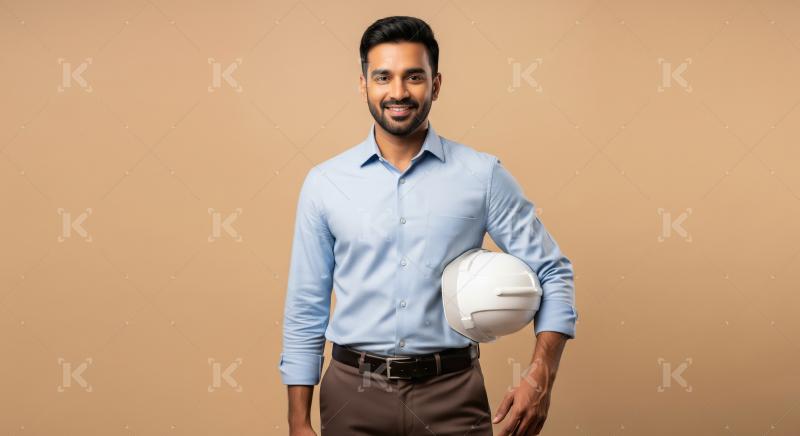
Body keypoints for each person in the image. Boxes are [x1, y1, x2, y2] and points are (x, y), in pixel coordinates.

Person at [279, 15, 578, 436]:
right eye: (383, 77)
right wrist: (297, 421)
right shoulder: (325, 184)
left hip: (452, 394)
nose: (398, 92)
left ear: (435, 85)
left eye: (413, 76)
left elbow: (553, 271)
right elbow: (306, 306)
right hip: (352, 397)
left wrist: (541, 375)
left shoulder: (482, 175)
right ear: (363, 84)